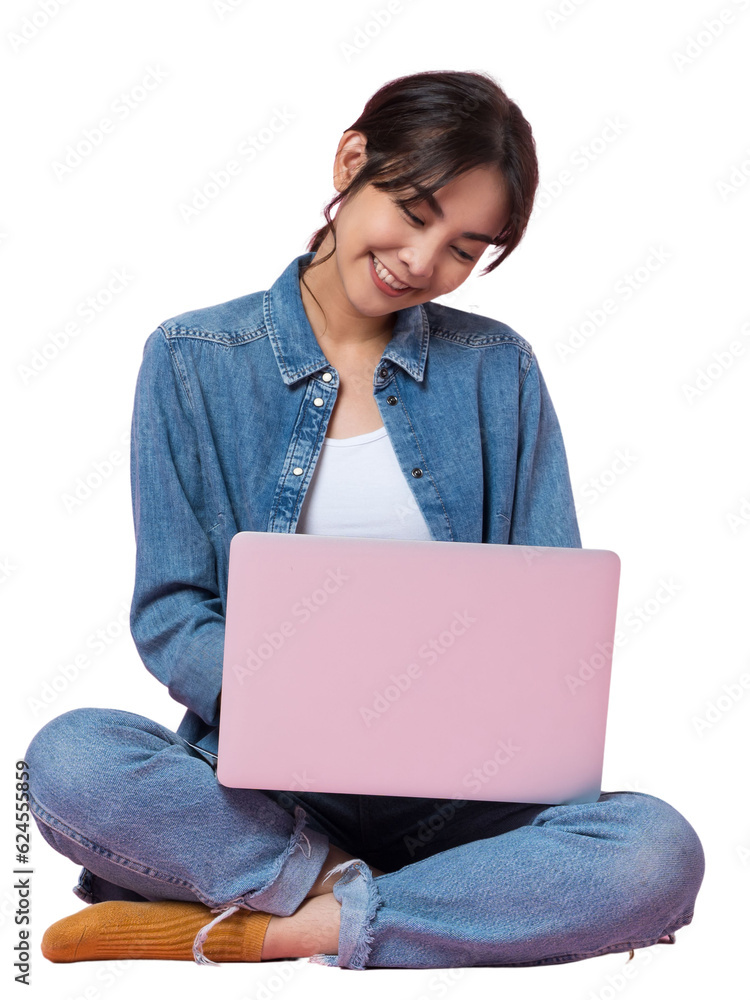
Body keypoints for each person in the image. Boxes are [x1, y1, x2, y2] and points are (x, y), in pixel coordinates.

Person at [24, 69, 705, 971]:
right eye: (415, 212)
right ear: (353, 162)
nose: (424, 262)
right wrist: (306, 704)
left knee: (658, 850)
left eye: (466, 247)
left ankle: (286, 923)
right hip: (273, 791)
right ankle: (389, 898)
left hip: (468, 800)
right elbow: (173, 612)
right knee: (68, 757)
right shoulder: (193, 359)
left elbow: (551, 614)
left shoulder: (498, 370)